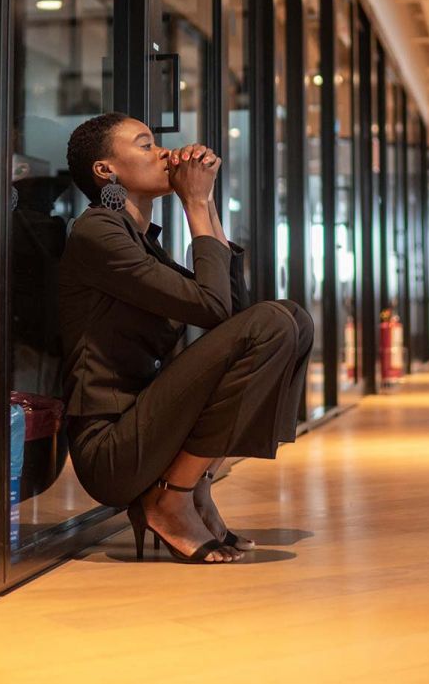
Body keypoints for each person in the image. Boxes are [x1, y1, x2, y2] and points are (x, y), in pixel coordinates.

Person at [59, 113, 314, 564]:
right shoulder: (96, 231)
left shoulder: (140, 241)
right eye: (144, 145)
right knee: (275, 320)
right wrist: (193, 204)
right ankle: (170, 499)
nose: (162, 153)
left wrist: (207, 202)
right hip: (112, 447)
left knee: (292, 319)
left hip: (151, 429)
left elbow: (229, 313)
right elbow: (217, 309)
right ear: (106, 170)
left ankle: (193, 488)